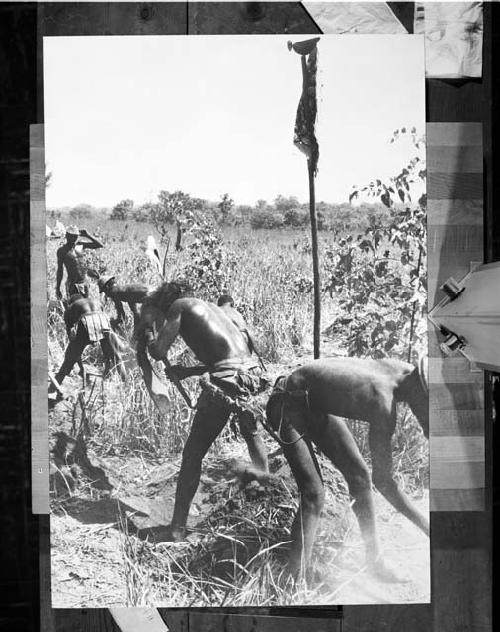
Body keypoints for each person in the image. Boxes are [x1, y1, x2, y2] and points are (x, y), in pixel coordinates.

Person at [265, 356, 429, 582]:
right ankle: (294, 581)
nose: (423, 413)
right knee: (313, 493)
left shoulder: (406, 371)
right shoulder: (383, 404)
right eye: (427, 404)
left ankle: (375, 562)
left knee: (360, 478)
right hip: (286, 403)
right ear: (419, 392)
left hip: (313, 404)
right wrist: (427, 526)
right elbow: (383, 482)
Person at [136, 281, 269, 541]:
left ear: (167, 301)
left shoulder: (179, 306)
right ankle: (265, 503)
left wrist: (149, 331)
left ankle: (177, 529)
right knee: (253, 437)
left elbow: (159, 351)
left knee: (193, 454)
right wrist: (187, 372)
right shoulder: (221, 311)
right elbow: (229, 357)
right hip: (250, 378)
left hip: (226, 381)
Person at [49, 295, 126, 401]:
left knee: (69, 359)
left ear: (71, 302)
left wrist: (78, 363)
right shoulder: (95, 300)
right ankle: (125, 383)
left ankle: (53, 387)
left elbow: (72, 340)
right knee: (116, 356)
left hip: (86, 322)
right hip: (103, 320)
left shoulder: (70, 308)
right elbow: (101, 317)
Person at [56, 225, 103, 300]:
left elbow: (99, 245)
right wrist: (57, 288)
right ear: (67, 236)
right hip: (73, 283)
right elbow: (60, 270)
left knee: (86, 306)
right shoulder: (62, 251)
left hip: (84, 282)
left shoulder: (81, 245)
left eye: (76, 236)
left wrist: (88, 235)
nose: (74, 238)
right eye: (71, 236)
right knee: (75, 306)